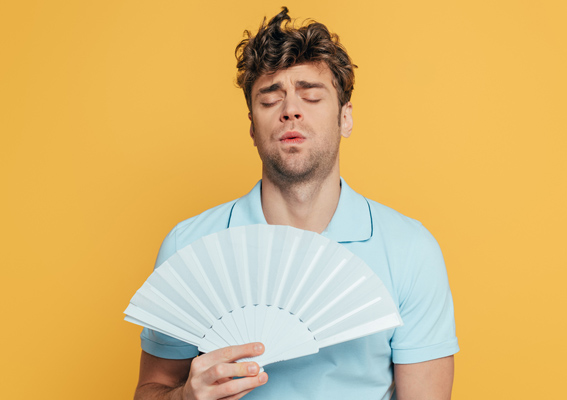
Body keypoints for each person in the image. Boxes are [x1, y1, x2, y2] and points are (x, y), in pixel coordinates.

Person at [134, 7, 459, 400]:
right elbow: (152, 390)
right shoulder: (188, 248)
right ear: (253, 127)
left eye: (311, 95)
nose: (291, 109)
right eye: (270, 100)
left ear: (345, 118)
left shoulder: (410, 250)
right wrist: (186, 397)